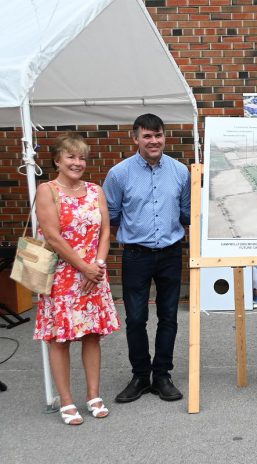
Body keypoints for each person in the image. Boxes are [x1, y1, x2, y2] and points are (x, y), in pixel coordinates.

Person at [104, 114, 191, 403]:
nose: (153, 141)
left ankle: (162, 375)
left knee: (169, 317)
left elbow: (187, 212)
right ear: (135, 138)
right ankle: (141, 376)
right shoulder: (119, 174)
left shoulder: (180, 172)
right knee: (136, 318)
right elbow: (111, 216)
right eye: (147, 136)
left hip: (170, 254)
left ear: (165, 137)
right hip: (136, 255)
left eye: (158, 135)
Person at [34, 133, 120, 425]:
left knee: (92, 335)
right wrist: (83, 267)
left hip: (94, 275)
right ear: (58, 160)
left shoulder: (96, 191)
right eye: (71, 156)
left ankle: (93, 395)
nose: (77, 162)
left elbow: (106, 231)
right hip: (63, 276)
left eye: (82, 157)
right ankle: (66, 400)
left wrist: (96, 265)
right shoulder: (48, 191)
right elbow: (53, 237)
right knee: (60, 340)